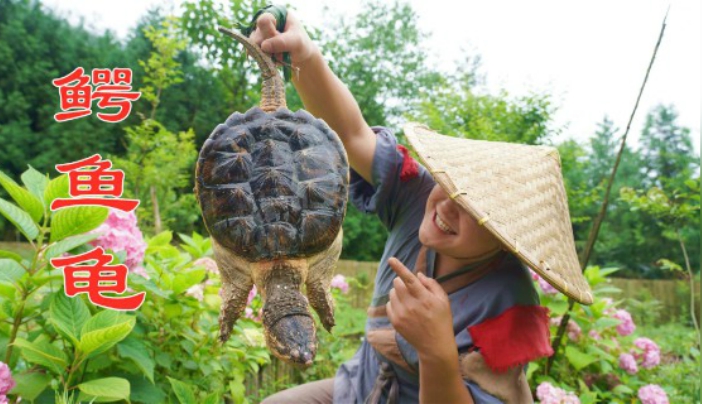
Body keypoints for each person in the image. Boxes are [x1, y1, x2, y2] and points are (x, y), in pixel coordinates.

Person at [249, 9, 594, 404]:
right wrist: (306, 57)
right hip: (360, 389)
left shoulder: (509, 302)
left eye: (473, 206)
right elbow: (351, 135)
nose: (446, 205)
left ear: (507, 239)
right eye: (448, 184)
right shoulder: (417, 197)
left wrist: (436, 351)